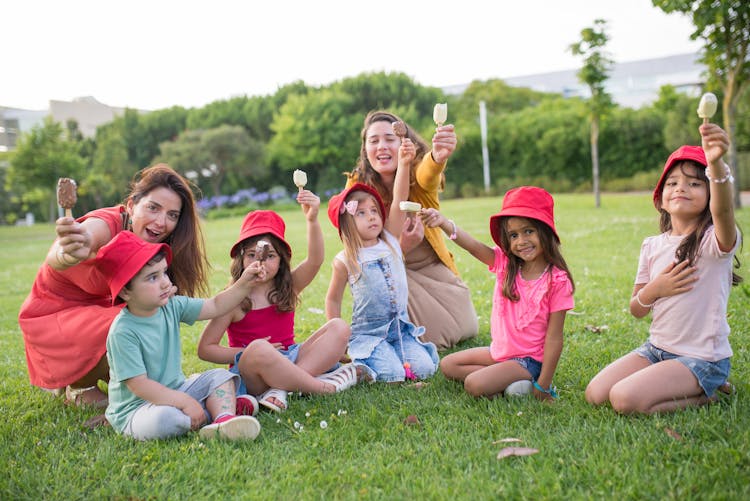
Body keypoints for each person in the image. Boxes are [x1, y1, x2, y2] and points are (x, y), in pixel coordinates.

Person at [18, 164, 210, 408]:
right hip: (53, 314)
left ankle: (95, 376)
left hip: (99, 312)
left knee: (145, 317)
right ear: (131, 205)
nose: (161, 222)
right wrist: (69, 252)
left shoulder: (157, 247)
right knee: (127, 321)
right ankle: (79, 386)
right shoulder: (106, 224)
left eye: (172, 215)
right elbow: (68, 248)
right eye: (153, 208)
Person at [585, 123, 742, 414]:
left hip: (700, 358)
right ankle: (695, 386)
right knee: (596, 394)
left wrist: (716, 165)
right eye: (672, 183)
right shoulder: (651, 245)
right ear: (660, 198)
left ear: (709, 196)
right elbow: (637, 308)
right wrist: (656, 289)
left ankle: (706, 393)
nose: (681, 187)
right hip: (656, 350)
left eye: (695, 183)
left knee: (623, 399)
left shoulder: (713, 242)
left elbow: (723, 211)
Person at [198, 200, 358, 414]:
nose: (260, 262)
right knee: (259, 348)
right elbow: (205, 349)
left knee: (339, 327)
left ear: (282, 260)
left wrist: (311, 220)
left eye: (269, 255)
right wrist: (246, 351)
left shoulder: (287, 287)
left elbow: (315, 260)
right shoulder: (233, 299)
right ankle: (321, 387)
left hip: (291, 357)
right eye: (251, 255)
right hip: (254, 371)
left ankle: (282, 388)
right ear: (241, 259)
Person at [101, 231, 262, 441]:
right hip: (138, 409)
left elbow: (215, 305)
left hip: (177, 390)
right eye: (152, 278)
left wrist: (244, 283)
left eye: (164, 273)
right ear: (125, 292)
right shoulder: (123, 331)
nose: (165, 283)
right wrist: (185, 402)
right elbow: (139, 385)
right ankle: (213, 410)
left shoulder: (171, 305)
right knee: (164, 420)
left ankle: (223, 418)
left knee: (220, 377)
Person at [346, 110, 477, 350]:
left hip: (432, 272)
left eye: (389, 139)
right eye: (374, 141)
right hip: (385, 273)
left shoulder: (417, 176)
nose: (382, 146)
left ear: (404, 142)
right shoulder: (357, 187)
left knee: (464, 327)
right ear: (365, 149)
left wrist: (437, 157)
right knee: (428, 336)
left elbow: (428, 173)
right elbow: (357, 250)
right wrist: (401, 248)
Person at [427, 186, 575, 400]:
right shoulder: (506, 265)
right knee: (448, 364)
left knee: (473, 384)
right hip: (501, 354)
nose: (521, 241)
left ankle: (517, 381)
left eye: (528, 231)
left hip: (529, 361)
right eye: (513, 235)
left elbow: (554, 339)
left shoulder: (556, 281)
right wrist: (443, 223)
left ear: (544, 230)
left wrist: (543, 386)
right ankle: (510, 383)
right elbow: (474, 247)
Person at [326, 135, 439, 382]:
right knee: (392, 375)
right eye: (362, 213)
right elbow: (333, 299)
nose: (372, 217)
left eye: (375, 210)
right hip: (369, 334)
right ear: (346, 225)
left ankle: (389, 357)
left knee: (425, 369)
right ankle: (360, 364)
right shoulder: (346, 259)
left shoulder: (390, 241)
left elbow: (399, 200)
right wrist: (337, 338)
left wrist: (405, 162)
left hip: (401, 330)